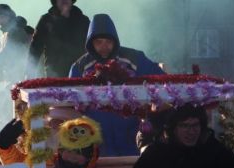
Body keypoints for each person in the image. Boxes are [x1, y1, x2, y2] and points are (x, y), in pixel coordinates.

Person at [69, 13, 164, 156]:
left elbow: (160, 77)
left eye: (108, 41)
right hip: (97, 136)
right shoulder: (80, 66)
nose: (104, 47)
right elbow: (70, 99)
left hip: (131, 130)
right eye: (98, 42)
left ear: (115, 40)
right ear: (91, 43)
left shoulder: (134, 58)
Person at [30, 0, 89, 78]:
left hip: (79, 73)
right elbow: (35, 48)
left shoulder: (83, 20)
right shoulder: (46, 20)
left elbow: (91, 46)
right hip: (54, 75)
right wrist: (29, 72)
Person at [0, 4, 31, 87]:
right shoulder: (6, 32)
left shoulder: (15, 30)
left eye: (2, 17)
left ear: (9, 16)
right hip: (14, 75)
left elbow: (7, 52)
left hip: (22, 73)